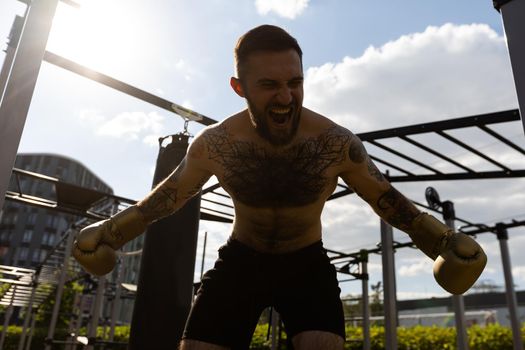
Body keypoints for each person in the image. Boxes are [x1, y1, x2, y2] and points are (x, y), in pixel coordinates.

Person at [73, 25, 487, 350]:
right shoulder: (216, 145)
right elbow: (168, 197)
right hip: (240, 260)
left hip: (306, 263)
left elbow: (384, 197)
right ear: (240, 88)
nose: (286, 97)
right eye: (270, 85)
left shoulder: (334, 142)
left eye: (295, 82)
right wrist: (112, 232)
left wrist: (441, 241)